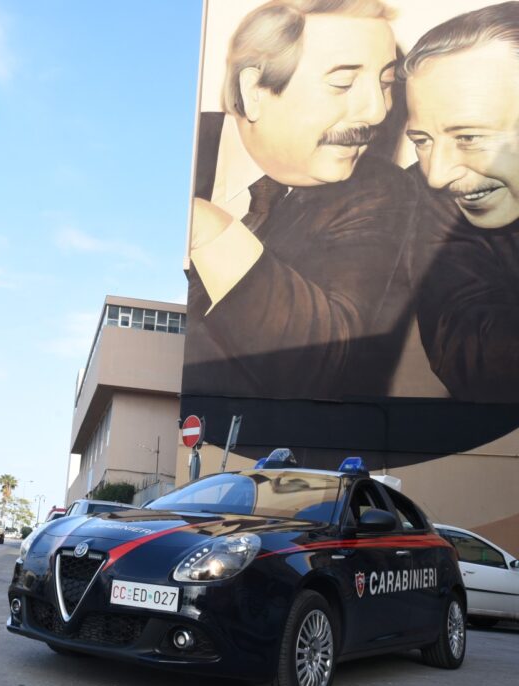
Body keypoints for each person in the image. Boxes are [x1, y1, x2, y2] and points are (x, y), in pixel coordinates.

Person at [183, 0, 415, 401]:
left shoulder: (381, 193)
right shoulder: (173, 149)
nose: (378, 112)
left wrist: (209, 229)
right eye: (343, 83)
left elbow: (322, 362)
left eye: (385, 83)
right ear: (253, 90)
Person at [402, 2, 519, 402]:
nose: (438, 174)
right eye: (422, 141)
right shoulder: (434, 201)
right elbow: (471, 352)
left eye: (468, 137)